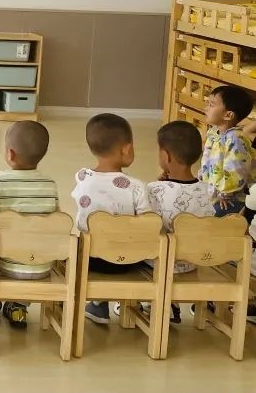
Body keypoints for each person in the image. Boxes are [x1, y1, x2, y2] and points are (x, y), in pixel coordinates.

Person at [71, 113, 151, 325]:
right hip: (128, 261)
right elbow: (148, 224)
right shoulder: (137, 187)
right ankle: (133, 302)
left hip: (90, 259)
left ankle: (98, 304)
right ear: (127, 149)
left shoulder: (82, 177)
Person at [0, 120, 59, 328]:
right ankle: (19, 307)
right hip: (42, 266)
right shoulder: (50, 185)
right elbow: (57, 221)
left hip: (6, 265)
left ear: (10, 154)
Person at [147, 120, 213, 325]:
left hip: (160, 263)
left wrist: (158, 185)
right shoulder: (207, 190)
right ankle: (171, 304)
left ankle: (148, 302)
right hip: (193, 262)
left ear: (165, 156)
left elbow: (147, 224)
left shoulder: (155, 189)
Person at [199, 85, 254, 216]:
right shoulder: (214, 133)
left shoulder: (236, 139)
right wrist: (200, 183)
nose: (206, 108)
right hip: (214, 192)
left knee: (213, 215)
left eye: (211, 105)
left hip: (233, 198)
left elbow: (237, 172)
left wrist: (225, 194)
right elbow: (206, 161)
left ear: (228, 115)